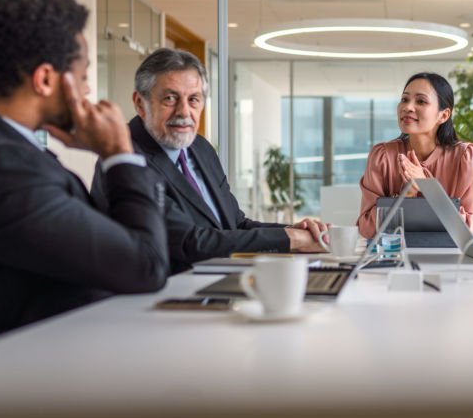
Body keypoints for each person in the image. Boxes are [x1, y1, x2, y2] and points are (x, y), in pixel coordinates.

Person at [0, 0, 169, 338]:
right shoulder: (0, 171)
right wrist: (119, 154)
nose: (86, 92)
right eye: (82, 77)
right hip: (57, 364)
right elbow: (146, 267)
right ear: (46, 79)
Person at [91, 48, 328, 274]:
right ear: (140, 103)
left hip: (216, 282)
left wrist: (294, 231)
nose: (184, 112)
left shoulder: (200, 148)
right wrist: (292, 240)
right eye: (170, 98)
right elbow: (189, 242)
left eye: (194, 99)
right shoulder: (123, 156)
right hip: (158, 298)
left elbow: (235, 224)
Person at [357, 72, 473, 239]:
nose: (407, 107)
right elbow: (366, 228)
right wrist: (406, 195)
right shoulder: (382, 155)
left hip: (452, 259)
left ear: (443, 115)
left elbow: (470, 230)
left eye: (421, 101)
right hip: (393, 258)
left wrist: (427, 187)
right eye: (404, 99)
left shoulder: (466, 157)